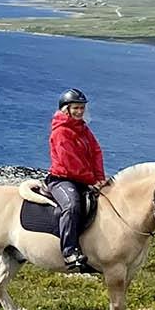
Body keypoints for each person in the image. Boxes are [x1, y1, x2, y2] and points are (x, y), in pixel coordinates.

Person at [47, 88, 109, 273]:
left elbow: (96, 152)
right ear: (66, 109)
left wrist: (100, 178)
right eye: (76, 108)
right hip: (62, 179)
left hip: (84, 178)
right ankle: (69, 251)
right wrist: (92, 179)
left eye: (82, 108)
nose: (79, 111)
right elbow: (70, 162)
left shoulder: (83, 129)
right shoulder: (61, 132)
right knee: (72, 205)